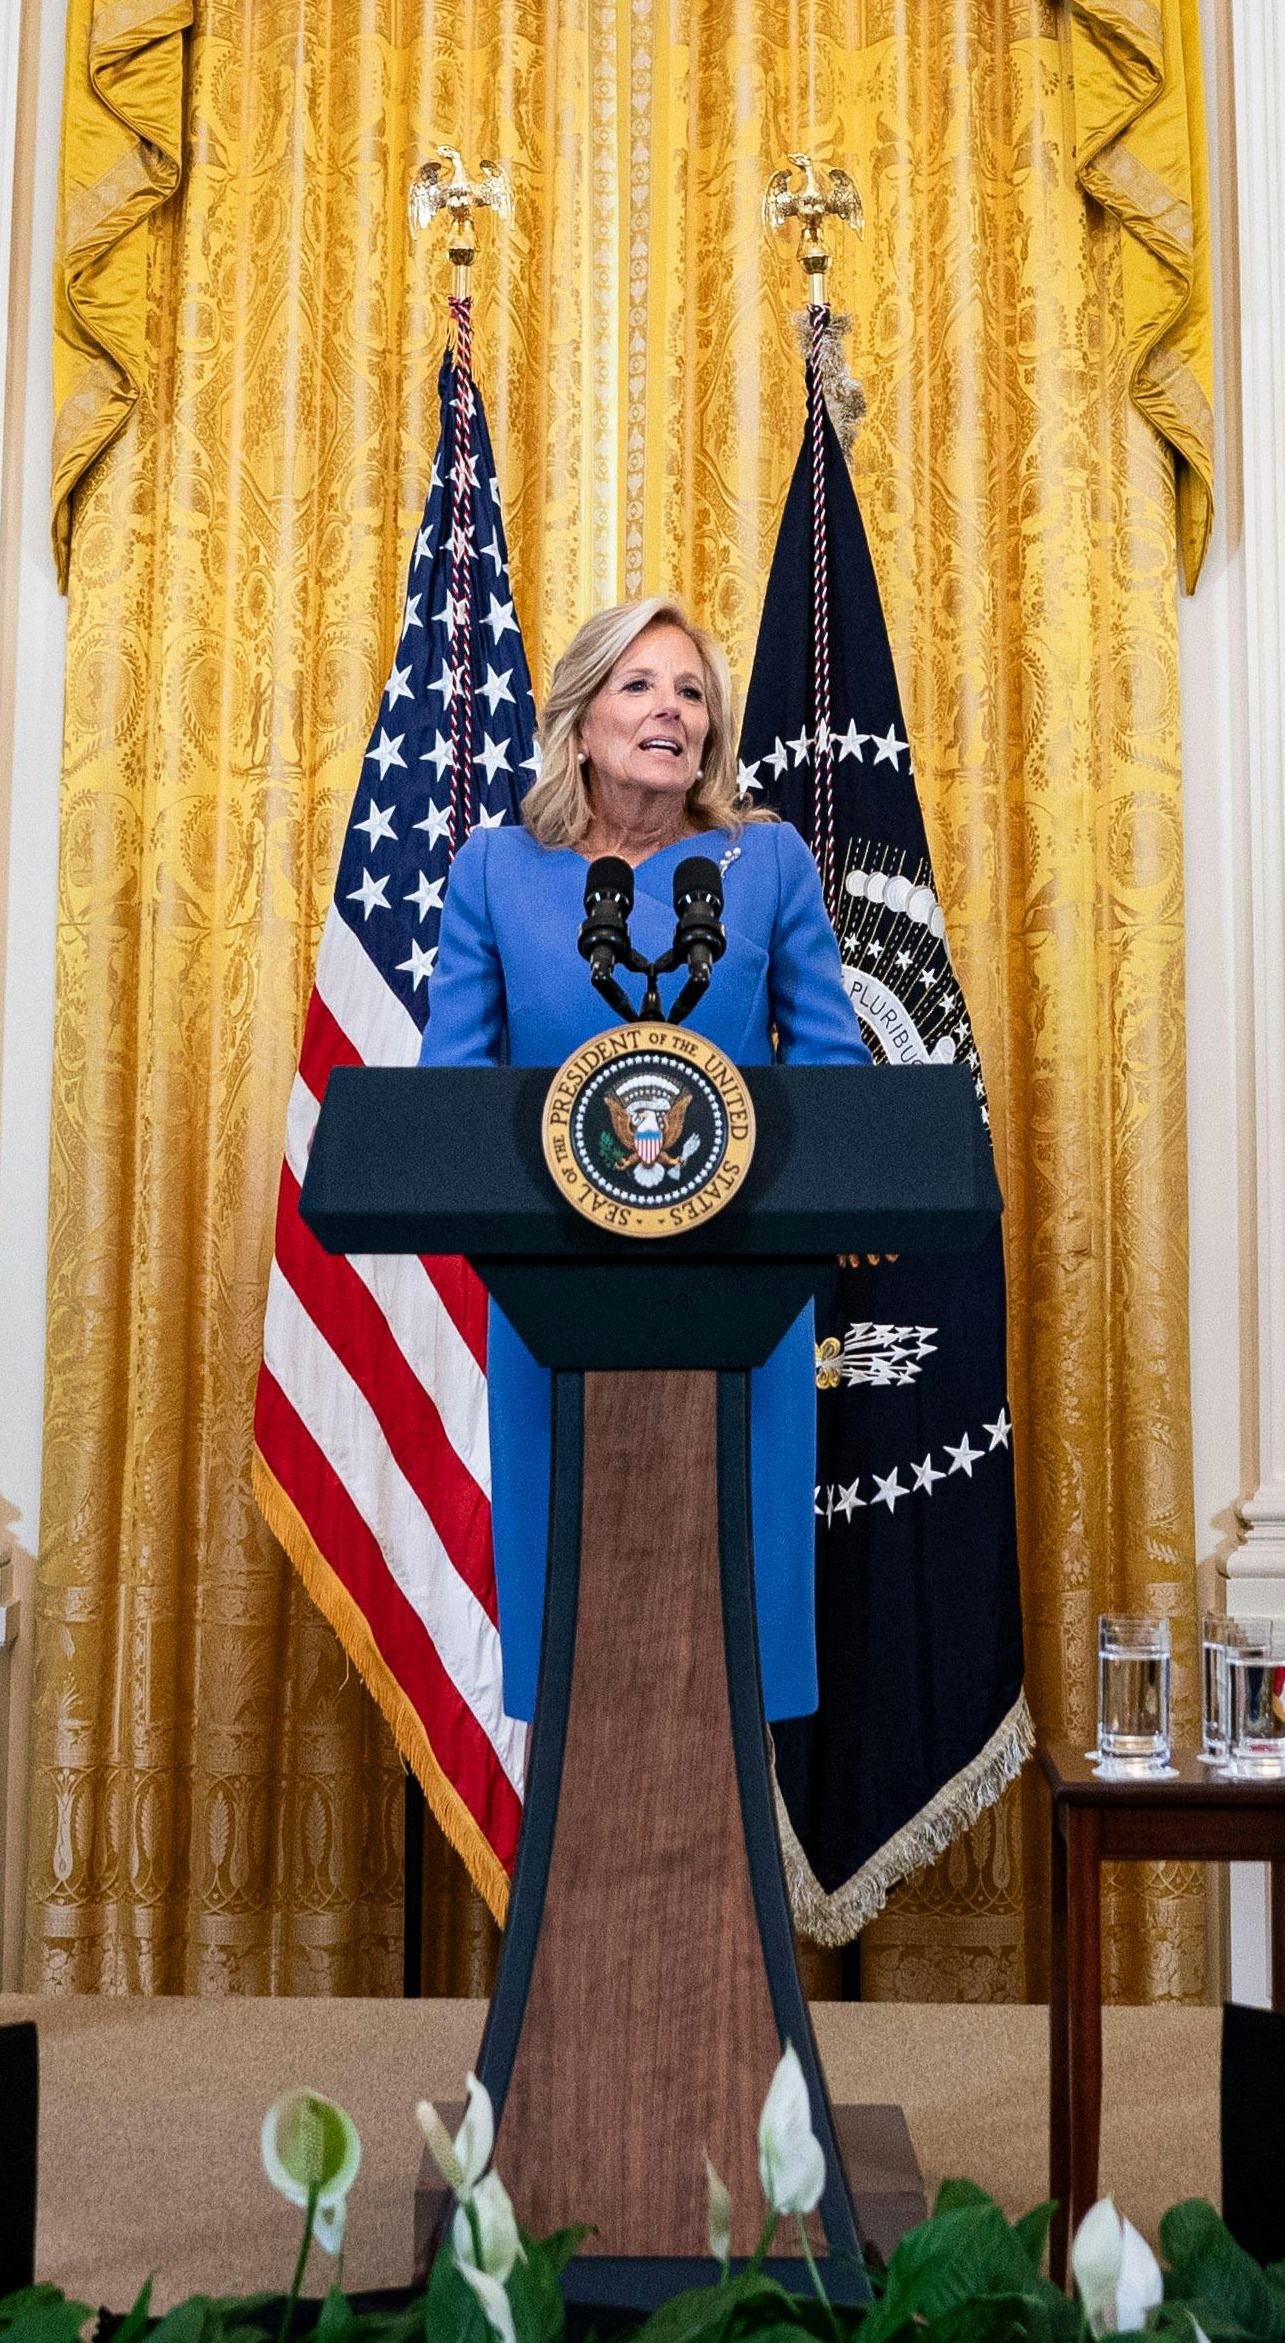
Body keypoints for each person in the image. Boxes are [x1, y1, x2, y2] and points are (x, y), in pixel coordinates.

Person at [420, 594, 867, 1723]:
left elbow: (825, 1064)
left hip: (743, 1295)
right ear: (579, 721)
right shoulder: (495, 870)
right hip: (554, 1290)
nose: (669, 708)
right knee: (582, 1640)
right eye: (639, 684)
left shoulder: (761, 861)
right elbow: (453, 1088)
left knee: (729, 1646)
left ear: (710, 731)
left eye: (691, 691)